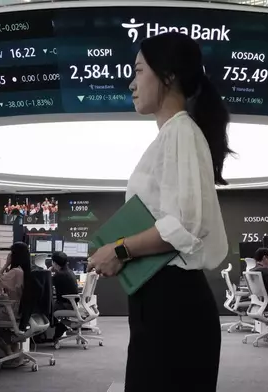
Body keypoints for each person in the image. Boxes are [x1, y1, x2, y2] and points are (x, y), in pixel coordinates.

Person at [86, 32, 229, 392]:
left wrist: (119, 249)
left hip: (174, 305)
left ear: (167, 76)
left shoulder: (181, 131)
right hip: (161, 302)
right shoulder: (171, 135)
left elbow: (183, 227)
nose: (132, 83)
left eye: (138, 72)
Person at [0, 242, 30, 365]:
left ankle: (8, 353)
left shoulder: (15, 272)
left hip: (13, 311)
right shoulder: (25, 270)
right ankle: (14, 352)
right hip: (22, 311)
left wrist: (5, 265)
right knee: (1, 325)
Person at [50, 251, 78, 341]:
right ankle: (59, 327)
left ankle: (58, 327)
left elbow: (47, 283)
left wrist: (48, 271)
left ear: (54, 263)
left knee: (45, 309)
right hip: (71, 304)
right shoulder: (69, 271)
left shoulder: (60, 275)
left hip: (64, 305)